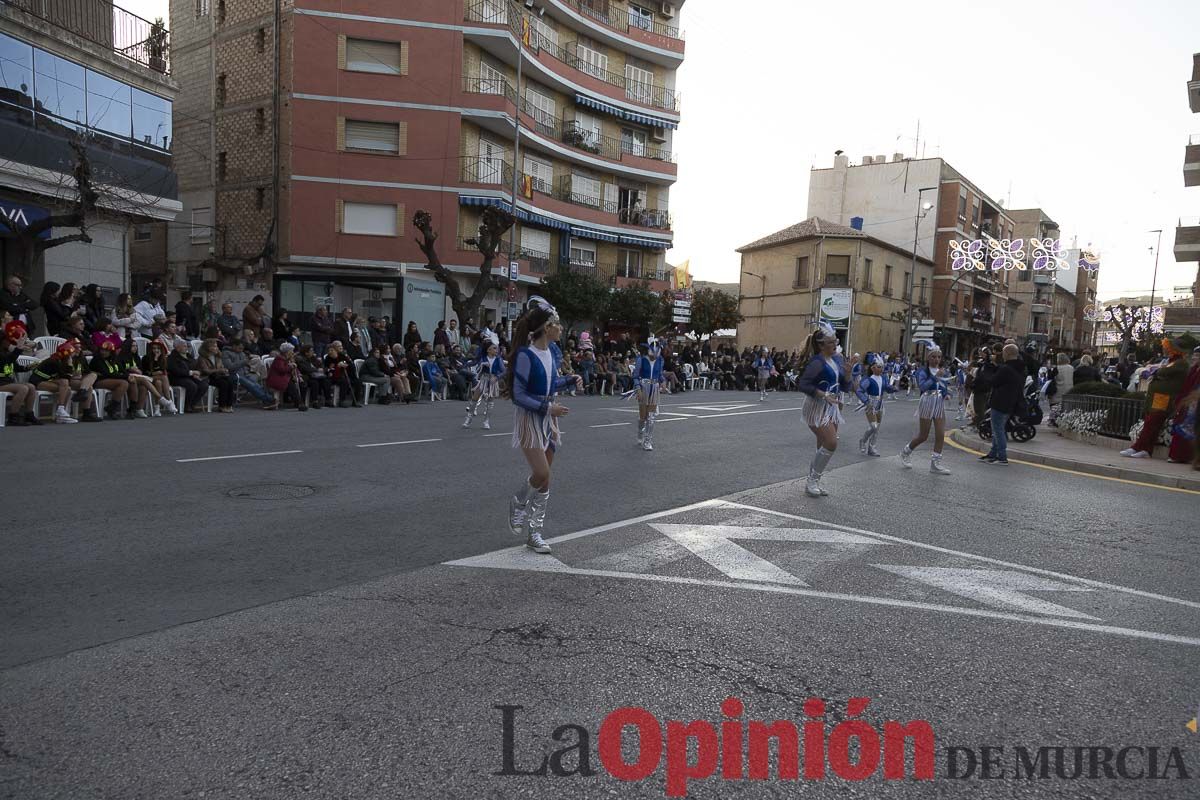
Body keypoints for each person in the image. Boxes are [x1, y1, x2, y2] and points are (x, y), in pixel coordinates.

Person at [505, 296, 583, 555]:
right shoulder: (526, 355)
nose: (561, 329)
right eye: (557, 324)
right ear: (546, 328)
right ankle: (518, 502)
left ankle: (534, 533)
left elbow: (549, 385)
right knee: (542, 473)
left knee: (546, 480)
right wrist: (548, 408)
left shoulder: (552, 352)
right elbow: (518, 394)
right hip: (531, 419)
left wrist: (569, 380)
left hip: (549, 419)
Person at [797, 324, 850, 497]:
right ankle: (812, 480)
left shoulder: (835, 360)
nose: (835, 344)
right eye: (831, 342)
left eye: (836, 341)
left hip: (830, 407)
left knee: (823, 443)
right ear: (821, 345)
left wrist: (848, 375)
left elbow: (844, 386)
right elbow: (803, 384)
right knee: (831, 442)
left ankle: (814, 481)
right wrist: (823, 394)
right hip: (816, 407)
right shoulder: (817, 362)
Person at [1122, 338, 1192, 459]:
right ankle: (1144, 449)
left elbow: (1162, 372)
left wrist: (1155, 371)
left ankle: (1139, 447)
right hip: (1158, 398)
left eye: (1167, 347)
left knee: (1151, 423)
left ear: (1174, 349)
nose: (1164, 349)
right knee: (1151, 423)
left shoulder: (1181, 363)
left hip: (1165, 399)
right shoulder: (1171, 361)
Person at [901, 345, 952, 475]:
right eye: (934, 357)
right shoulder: (922, 371)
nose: (936, 360)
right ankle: (905, 452)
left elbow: (943, 386)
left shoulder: (942, 371)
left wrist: (946, 394)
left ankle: (935, 464)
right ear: (928, 358)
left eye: (939, 357)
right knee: (923, 435)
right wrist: (935, 377)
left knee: (941, 434)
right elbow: (923, 386)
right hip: (927, 401)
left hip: (939, 402)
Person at [977, 344, 1026, 465]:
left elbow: (993, 381)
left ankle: (1002, 457)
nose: (1002, 355)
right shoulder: (1019, 368)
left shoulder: (1006, 369)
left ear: (1008, 354)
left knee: (998, 430)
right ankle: (993, 454)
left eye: (1004, 353)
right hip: (1011, 402)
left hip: (1000, 402)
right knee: (998, 429)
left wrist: (985, 372)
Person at [31, 341, 97, 423]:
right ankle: (61, 410)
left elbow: (84, 373)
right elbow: (66, 377)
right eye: (74, 349)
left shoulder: (78, 358)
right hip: (39, 382)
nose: (78, 350)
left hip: (52, 380)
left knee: (88, 386)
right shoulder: (55, 361)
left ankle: (83, 412)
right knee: (65, 385)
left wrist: (78, 377)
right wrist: (69, 366)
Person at [854, 353, 896, 457]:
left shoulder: (883, 378)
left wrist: (893, 389)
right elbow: (859, 391)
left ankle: (872, 448)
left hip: (880, 405)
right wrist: (866, 401)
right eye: (878, 367)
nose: (881, 369)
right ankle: (863, 441)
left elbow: (886, 387)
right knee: (874, 426)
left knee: (877, 428)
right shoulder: (868, 379)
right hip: (870, 404)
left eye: (882, 367)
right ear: (872, 368)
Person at [0, 322, 40, 425]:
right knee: (23, 388)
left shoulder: (7, 352)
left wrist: (27, 367)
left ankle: (29, 414)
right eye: (8, 341)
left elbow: (15, 367)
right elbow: (6, 361)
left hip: (7, 382)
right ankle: (13, 417)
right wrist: (18, 349)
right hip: (1, 383)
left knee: (31, 387)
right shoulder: (3, 354)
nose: (10, 343)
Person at [631, 338, 666, 450]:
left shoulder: (660, 360)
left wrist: (663, 381)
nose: (655, 355)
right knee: (643, 416)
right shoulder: (641, 360)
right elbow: (635, 376)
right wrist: (638, 389)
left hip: (654, 388)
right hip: (643, 387)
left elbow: (659, 374)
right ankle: (640, 433)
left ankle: (648, 441)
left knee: (651, 417)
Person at [222, 338, 276, 408]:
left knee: (256, 384)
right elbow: (229, 367)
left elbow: (245, 364)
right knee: (251, 385)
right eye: (239, 348)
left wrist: (248, 366)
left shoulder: (241, 353)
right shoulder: (226, 353)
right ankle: (270, 399)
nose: (241, 350)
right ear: (234, 346)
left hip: (244, 373)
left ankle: (267, 399)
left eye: (242, 348)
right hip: (233, 375)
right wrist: (244, 362)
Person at [463, 338, 503, 429]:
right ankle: (468, 419)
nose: (496, 350)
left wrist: (497, 377)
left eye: (496, 348)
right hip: (484, 379)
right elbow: (477, 370)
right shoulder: (483, 358)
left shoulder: (498, 359)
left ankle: (486, 421)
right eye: (494, 348)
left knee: (490, 402)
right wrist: (481, 365)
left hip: (493, 381)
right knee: (474, 399)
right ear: (488, 350)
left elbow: (504, 371)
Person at [88, 339, 132, 419]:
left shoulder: (114, 359)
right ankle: (112, 408)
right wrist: (124, 377)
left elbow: (122, 371)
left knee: (126, 382)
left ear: (111, 352)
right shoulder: (97, 359)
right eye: (102, 350)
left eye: (106, 351)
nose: (103, 352)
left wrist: (127, 375)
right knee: (123, 383)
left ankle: (114, 408)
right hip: (99, 380)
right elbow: (106, 374)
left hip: (110, 379)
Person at [167, 338, 208, 413]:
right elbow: (176, 371)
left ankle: (192, 404)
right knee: (192, 386)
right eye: (184, 346)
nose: (187, 348)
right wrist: (191, 373)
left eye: (186, 346)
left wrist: (198, 373)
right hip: (176, 378)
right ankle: (186, 405)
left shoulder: (189, 356)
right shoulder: (172, 358)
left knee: (203, 385)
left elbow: (196, 366)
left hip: (189, 377)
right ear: (177, 348)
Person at [196, 338, 236, 412]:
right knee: (223, 384)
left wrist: (224, 370)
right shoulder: (202, 358)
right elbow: (206, 371)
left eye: (216, 346)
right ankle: (222, 406)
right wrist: (219, 370)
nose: (216, 348)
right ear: (208, 348)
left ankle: (229, 405)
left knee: (230, 381)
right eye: (214, 346)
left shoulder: (217, 357)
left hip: (217, 376)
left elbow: (221, 367)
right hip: (207, 377)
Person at [140, 339, 178, 415]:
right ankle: (169, 401)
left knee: (159, 383)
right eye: (154, 348)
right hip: (147, 379)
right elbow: (146, 372)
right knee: (163, 377)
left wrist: (156, 370)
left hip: (157, 379)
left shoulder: (163, 358)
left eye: (158, 348)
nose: (156, 350)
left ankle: (157, 409)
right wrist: (155, 359)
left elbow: (163, 370)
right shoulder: (146, 358)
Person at [267, 342, 307, 411]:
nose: (292, 352)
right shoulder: (279, 359)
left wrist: (298, 375)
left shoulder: (289, 358)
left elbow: (295, 368)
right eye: (291, 351)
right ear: (286, 352)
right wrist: (290, 366)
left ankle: (300, 401)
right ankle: (299, 403)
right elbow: (282, 370)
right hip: (277, 379)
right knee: (291, 385)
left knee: (302, 383)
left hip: (284, 377)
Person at [325, 340, 362, 407]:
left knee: (358, 382)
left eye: (341, 346)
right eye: (339, 346)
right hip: (335, 376)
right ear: (334, 348)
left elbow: (352, 366)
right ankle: (340, 400)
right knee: (342, 382)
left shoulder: (344, 355)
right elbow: (328, 368)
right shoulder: (329, 357)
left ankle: (356, 401)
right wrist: (337, 365)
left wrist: (347, 365)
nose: (341, 347)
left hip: (346, 375)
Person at [295, 343, 332, 408]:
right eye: (311, 351)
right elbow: (305, 369)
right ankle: (315, 401)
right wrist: (317, 370)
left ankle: (328, 400)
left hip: (316, 376)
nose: (313, 352)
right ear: (306, 353)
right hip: (306, 376)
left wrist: (321, 367)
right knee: (314, 383)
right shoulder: (300, 359)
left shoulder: (313, 358)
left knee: (326, 381)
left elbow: (322, 367)